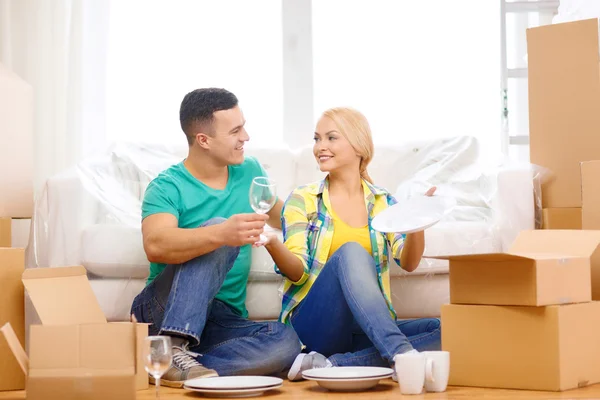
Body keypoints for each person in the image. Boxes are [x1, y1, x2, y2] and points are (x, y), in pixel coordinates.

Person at [130, 88, 301, 388]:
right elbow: (155, 244)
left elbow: (286, 217)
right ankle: (171, 342)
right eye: (235, 130)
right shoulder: (167, 186)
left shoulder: (250, 172)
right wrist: (221, 233)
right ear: (203, 140)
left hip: (220, 317)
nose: (245, 137)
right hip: (162, 309)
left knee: (285, 342)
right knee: (219, 229)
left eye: (243, 126)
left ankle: (168, 361)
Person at [261, 107, 441, 381]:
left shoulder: (382, 202)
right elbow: (296, 272)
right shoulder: (303, 199)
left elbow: (408, 261)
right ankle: (400, 355)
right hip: (315, 324)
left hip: (365, 328)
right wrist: (272, 243)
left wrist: (417, 221)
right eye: (317, 139)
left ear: (359, 146)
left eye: (331, 138)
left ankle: (331, 366)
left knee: (442, 330)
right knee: (352, 254)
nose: (321, 147)